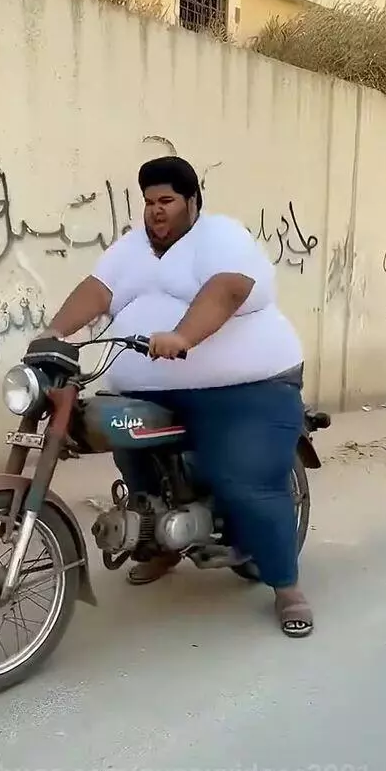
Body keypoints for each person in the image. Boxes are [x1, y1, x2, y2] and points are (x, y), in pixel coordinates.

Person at [42, 156, 313, 637]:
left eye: (166, 200)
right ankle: (159, 542)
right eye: (149, 202)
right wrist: (53, 333)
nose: (156, 211)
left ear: (192, 201)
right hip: (150, 389)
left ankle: (285, 583)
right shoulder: (130, 249)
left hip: (246, 390)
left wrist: (184, 336)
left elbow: (227, 290)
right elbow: (97, 290)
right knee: (133, 463)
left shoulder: (221, 236)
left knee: (247, 482)